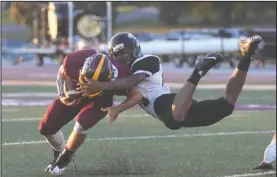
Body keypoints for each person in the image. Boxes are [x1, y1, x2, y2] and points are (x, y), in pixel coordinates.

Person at [77, 32, 262, 131]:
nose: (122, 58)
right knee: (227, 105)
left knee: (175, 118)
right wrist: (116, 107)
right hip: (178, 105)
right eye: (117, 55)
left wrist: (101, 85)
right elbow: (136, 94)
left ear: (133, 49)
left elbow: (133, 81)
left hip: (165, 103)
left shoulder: (147, 60)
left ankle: (197, 71)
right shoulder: (120, 74)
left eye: (124, 52)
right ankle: (247, 55)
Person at [38, 50, 132, 175]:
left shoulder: (122, 75)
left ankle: (65, 158)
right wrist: (63, 94)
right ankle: (59, 151)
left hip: (102, 98)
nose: (87, 85)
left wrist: (118, 108)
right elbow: (62, 72)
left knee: (81, 125)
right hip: (77, 91)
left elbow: (136, 94)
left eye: (92, 84)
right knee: (46, 127)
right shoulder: (74, 61)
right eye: (85, 79)